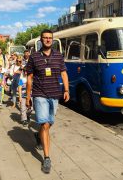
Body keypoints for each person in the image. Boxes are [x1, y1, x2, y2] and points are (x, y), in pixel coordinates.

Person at [26, 29, 70, 174]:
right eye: (45, 38)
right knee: (44, 124)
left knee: (49, 123)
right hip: (39, 94)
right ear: (41, 40)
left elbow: (63, 73)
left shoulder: (58, 56)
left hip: (54, 94)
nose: (47, 40)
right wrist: (27, 97)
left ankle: (38, 135)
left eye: (50, 38)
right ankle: (47, 158)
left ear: (52, 40)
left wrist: (66, 90)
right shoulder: (34, 57)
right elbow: (30, 77)